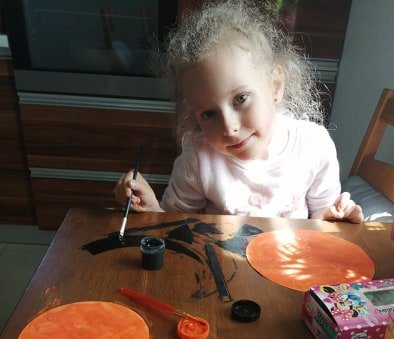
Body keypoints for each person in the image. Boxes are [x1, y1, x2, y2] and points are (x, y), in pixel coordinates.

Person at [114, 0, 363, 223]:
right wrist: (151, 209)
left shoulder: (313, 146)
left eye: (240, 99)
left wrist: (333, 216)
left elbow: (321, 217)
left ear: (275, 85)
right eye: (209, 114)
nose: (229, 128)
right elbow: (174, 222)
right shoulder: (198, 158)